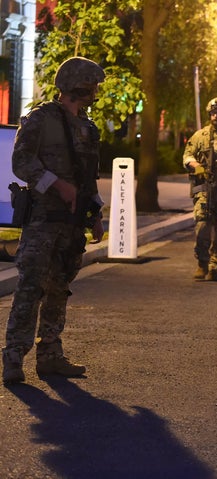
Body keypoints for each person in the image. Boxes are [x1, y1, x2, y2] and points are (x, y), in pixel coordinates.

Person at [2, 56, 105, 384]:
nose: (95, 92)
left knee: (60, 288)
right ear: (78, 85)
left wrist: (96, 214)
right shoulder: (40, 119)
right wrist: (54, 183)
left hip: (72, 225)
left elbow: (89, 177)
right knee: (30, 287)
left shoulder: (87, 128)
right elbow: (21, 162)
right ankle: (14, 356)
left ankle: (50, 354)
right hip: (43, 221)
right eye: (92, 86)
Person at [183, 97, 217, 281]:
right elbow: (187, 156)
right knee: (202, 227)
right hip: (204, 188)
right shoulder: (201, 136)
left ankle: (216, 266)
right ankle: (202, 263)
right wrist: (197, 167)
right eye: (213, 112)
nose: (215, 115)